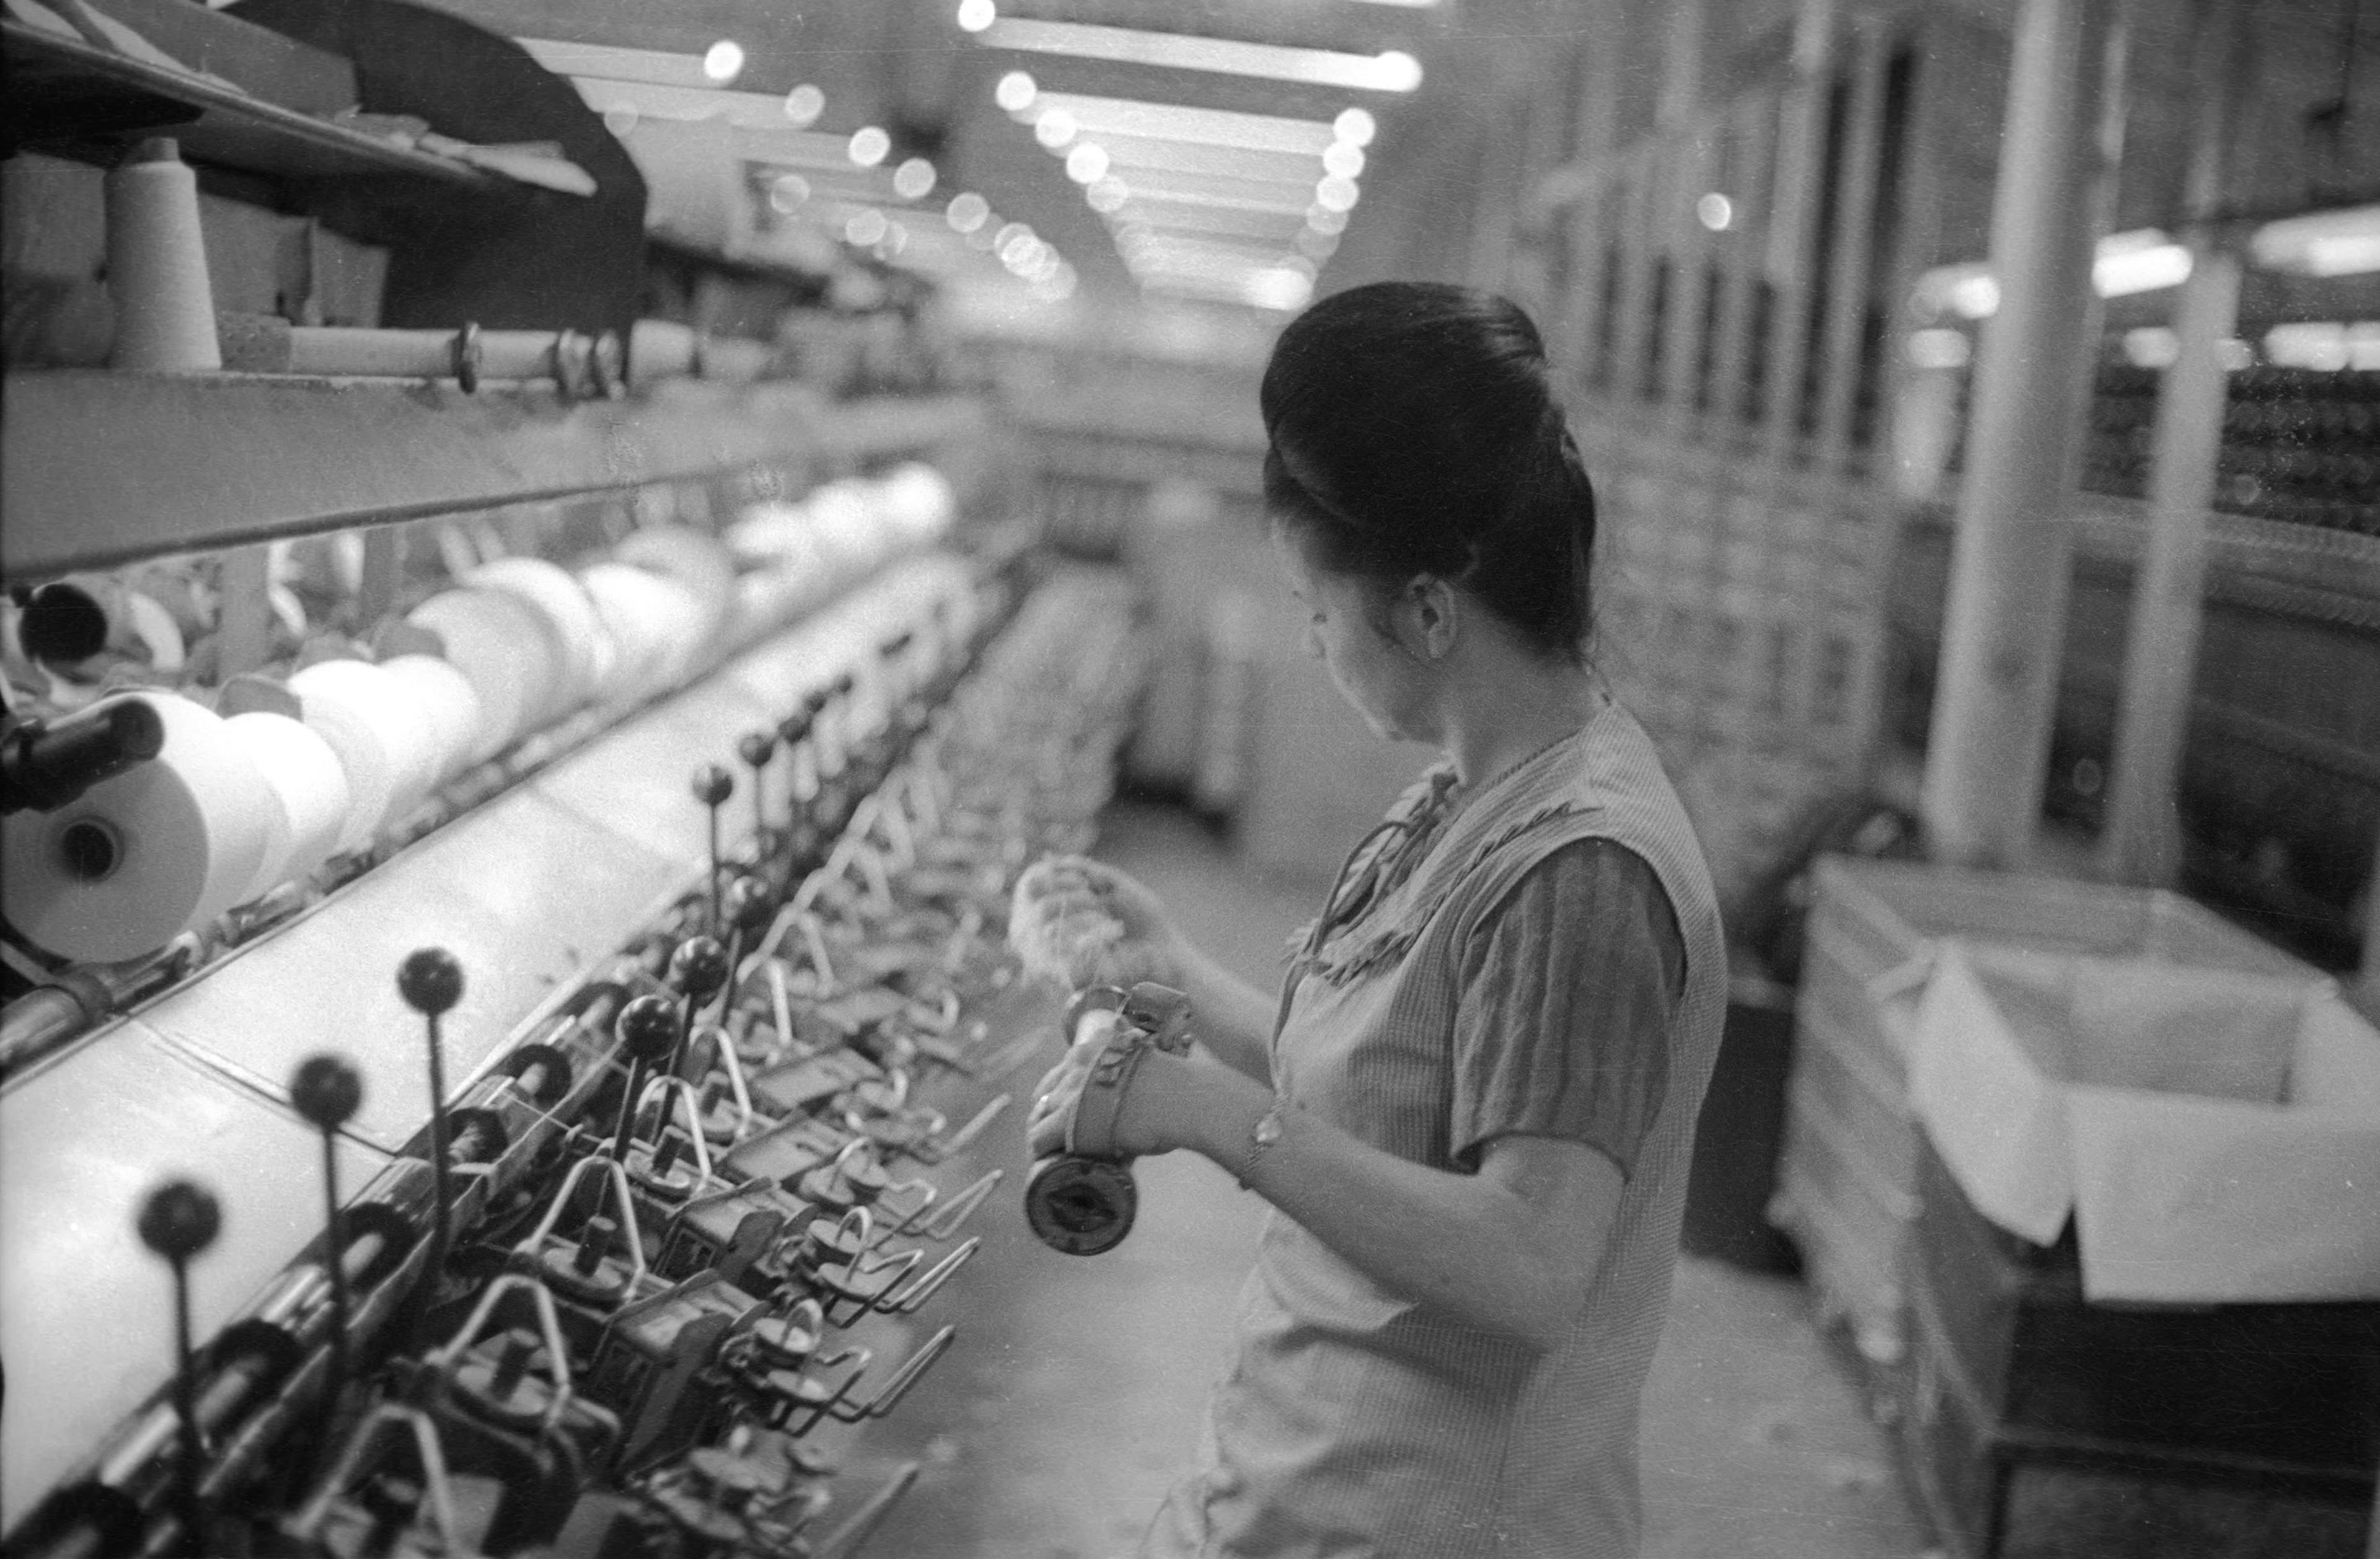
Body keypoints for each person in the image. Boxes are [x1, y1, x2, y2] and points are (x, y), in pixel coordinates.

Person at [1013, 281, 1726, 1558]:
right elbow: (1386, 1092)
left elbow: (1528, 1262)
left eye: (1316, 609)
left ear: (1427, 609)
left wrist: (1215, 1118)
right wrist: (1171, 968)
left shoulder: (1581, 877)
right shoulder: (1479, 799)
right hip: (1309, 1491)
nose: (1311, 642)